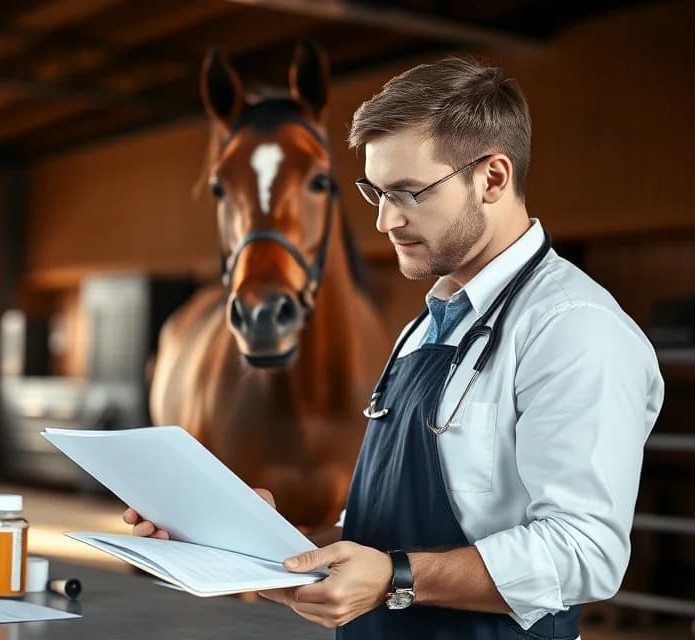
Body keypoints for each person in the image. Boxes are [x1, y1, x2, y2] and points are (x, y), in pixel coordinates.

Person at [125, 56, 664, 639]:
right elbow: (384, 537)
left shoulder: (573, 327)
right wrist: (255, 543)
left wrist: (394, 578)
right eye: (375, 193)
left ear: (492, 178)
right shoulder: (423, 328)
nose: (384, 221)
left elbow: (585, 553)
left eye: (408, 193)